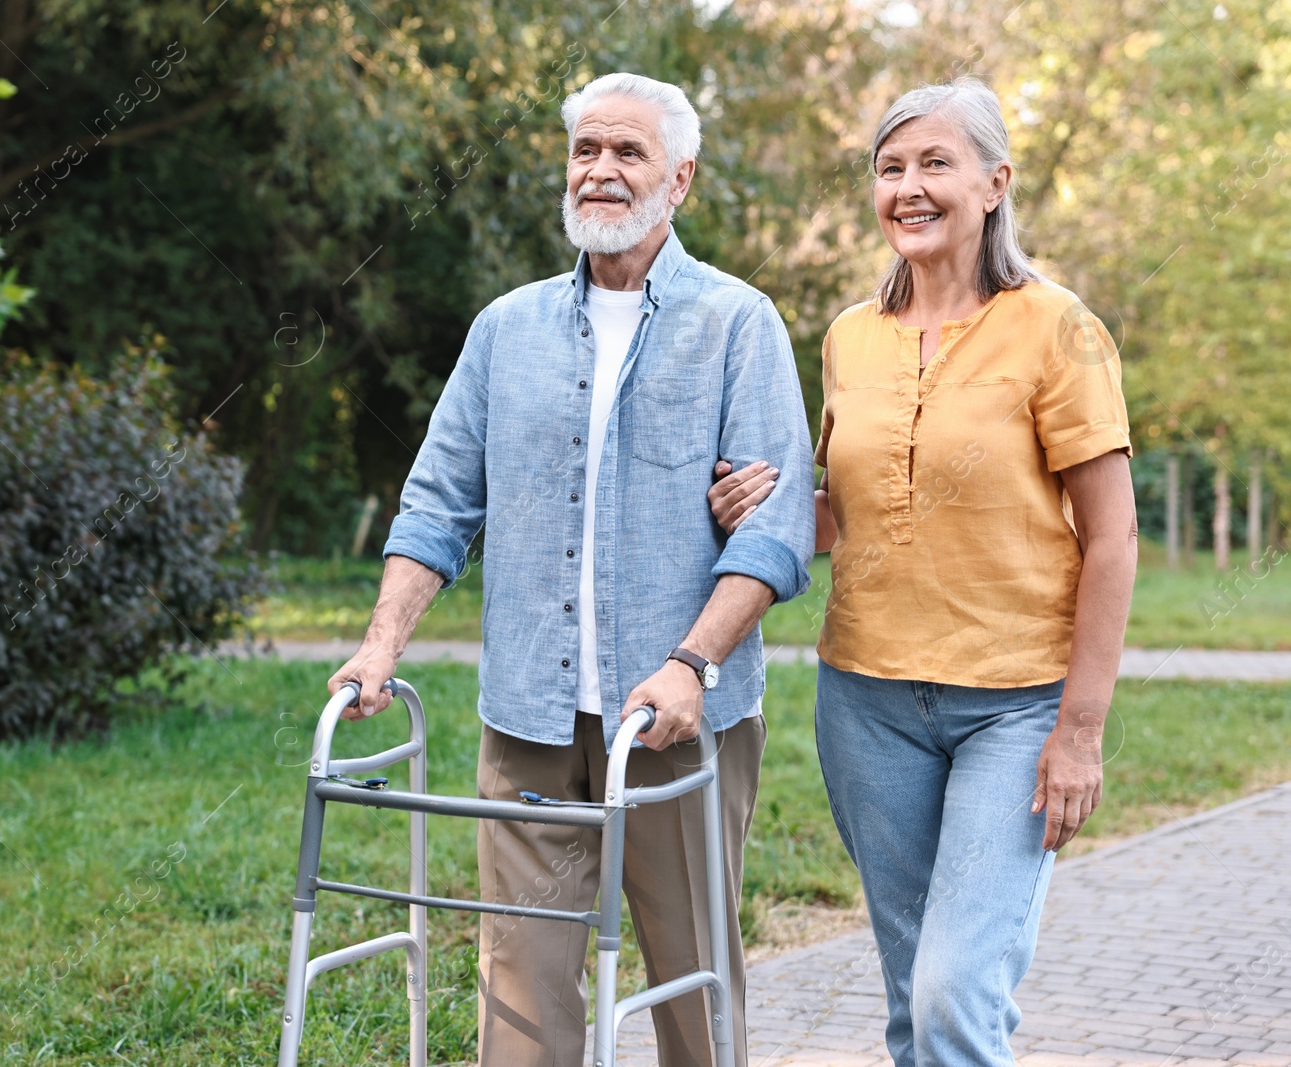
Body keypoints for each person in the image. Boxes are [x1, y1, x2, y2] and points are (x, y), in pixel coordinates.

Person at [327, 72, 816, 1066]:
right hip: (529, 719)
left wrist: (691, 661)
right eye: (585, 150)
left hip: (678, 720)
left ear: (678, 178)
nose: (601, 170)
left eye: (627, 152)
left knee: (694, 992)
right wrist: (380, 644)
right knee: (521, 996)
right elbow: (437, 500)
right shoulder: (505, 330)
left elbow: (771, 535)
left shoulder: (737, 323)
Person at [710, 77, 1137, 1065]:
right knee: (914, 997)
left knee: (952, 990)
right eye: (889, 166)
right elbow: (846, 514)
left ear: (994, 183)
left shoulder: (1054, 325)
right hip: (865, 701)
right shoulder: (848, 338)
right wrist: (759, 506)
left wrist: (1079, 728)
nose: (908, 185)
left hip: (1015, 704)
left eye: (934, 163)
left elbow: (1109, 537)